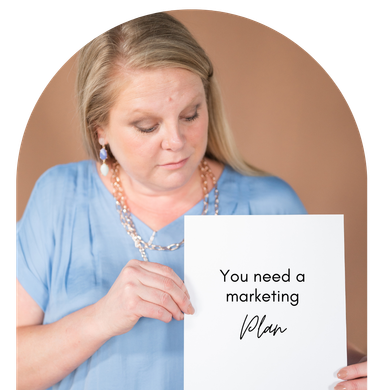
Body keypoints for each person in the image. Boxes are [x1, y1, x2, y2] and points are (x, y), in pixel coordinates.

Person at [15, 12, 368, 390]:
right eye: (147, 126)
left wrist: (355, 372)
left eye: (190, 114)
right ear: (99, 128)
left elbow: (304, 350)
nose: (177, 141)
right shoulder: (58, 198)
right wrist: (101, 318)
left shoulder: (271, 204)